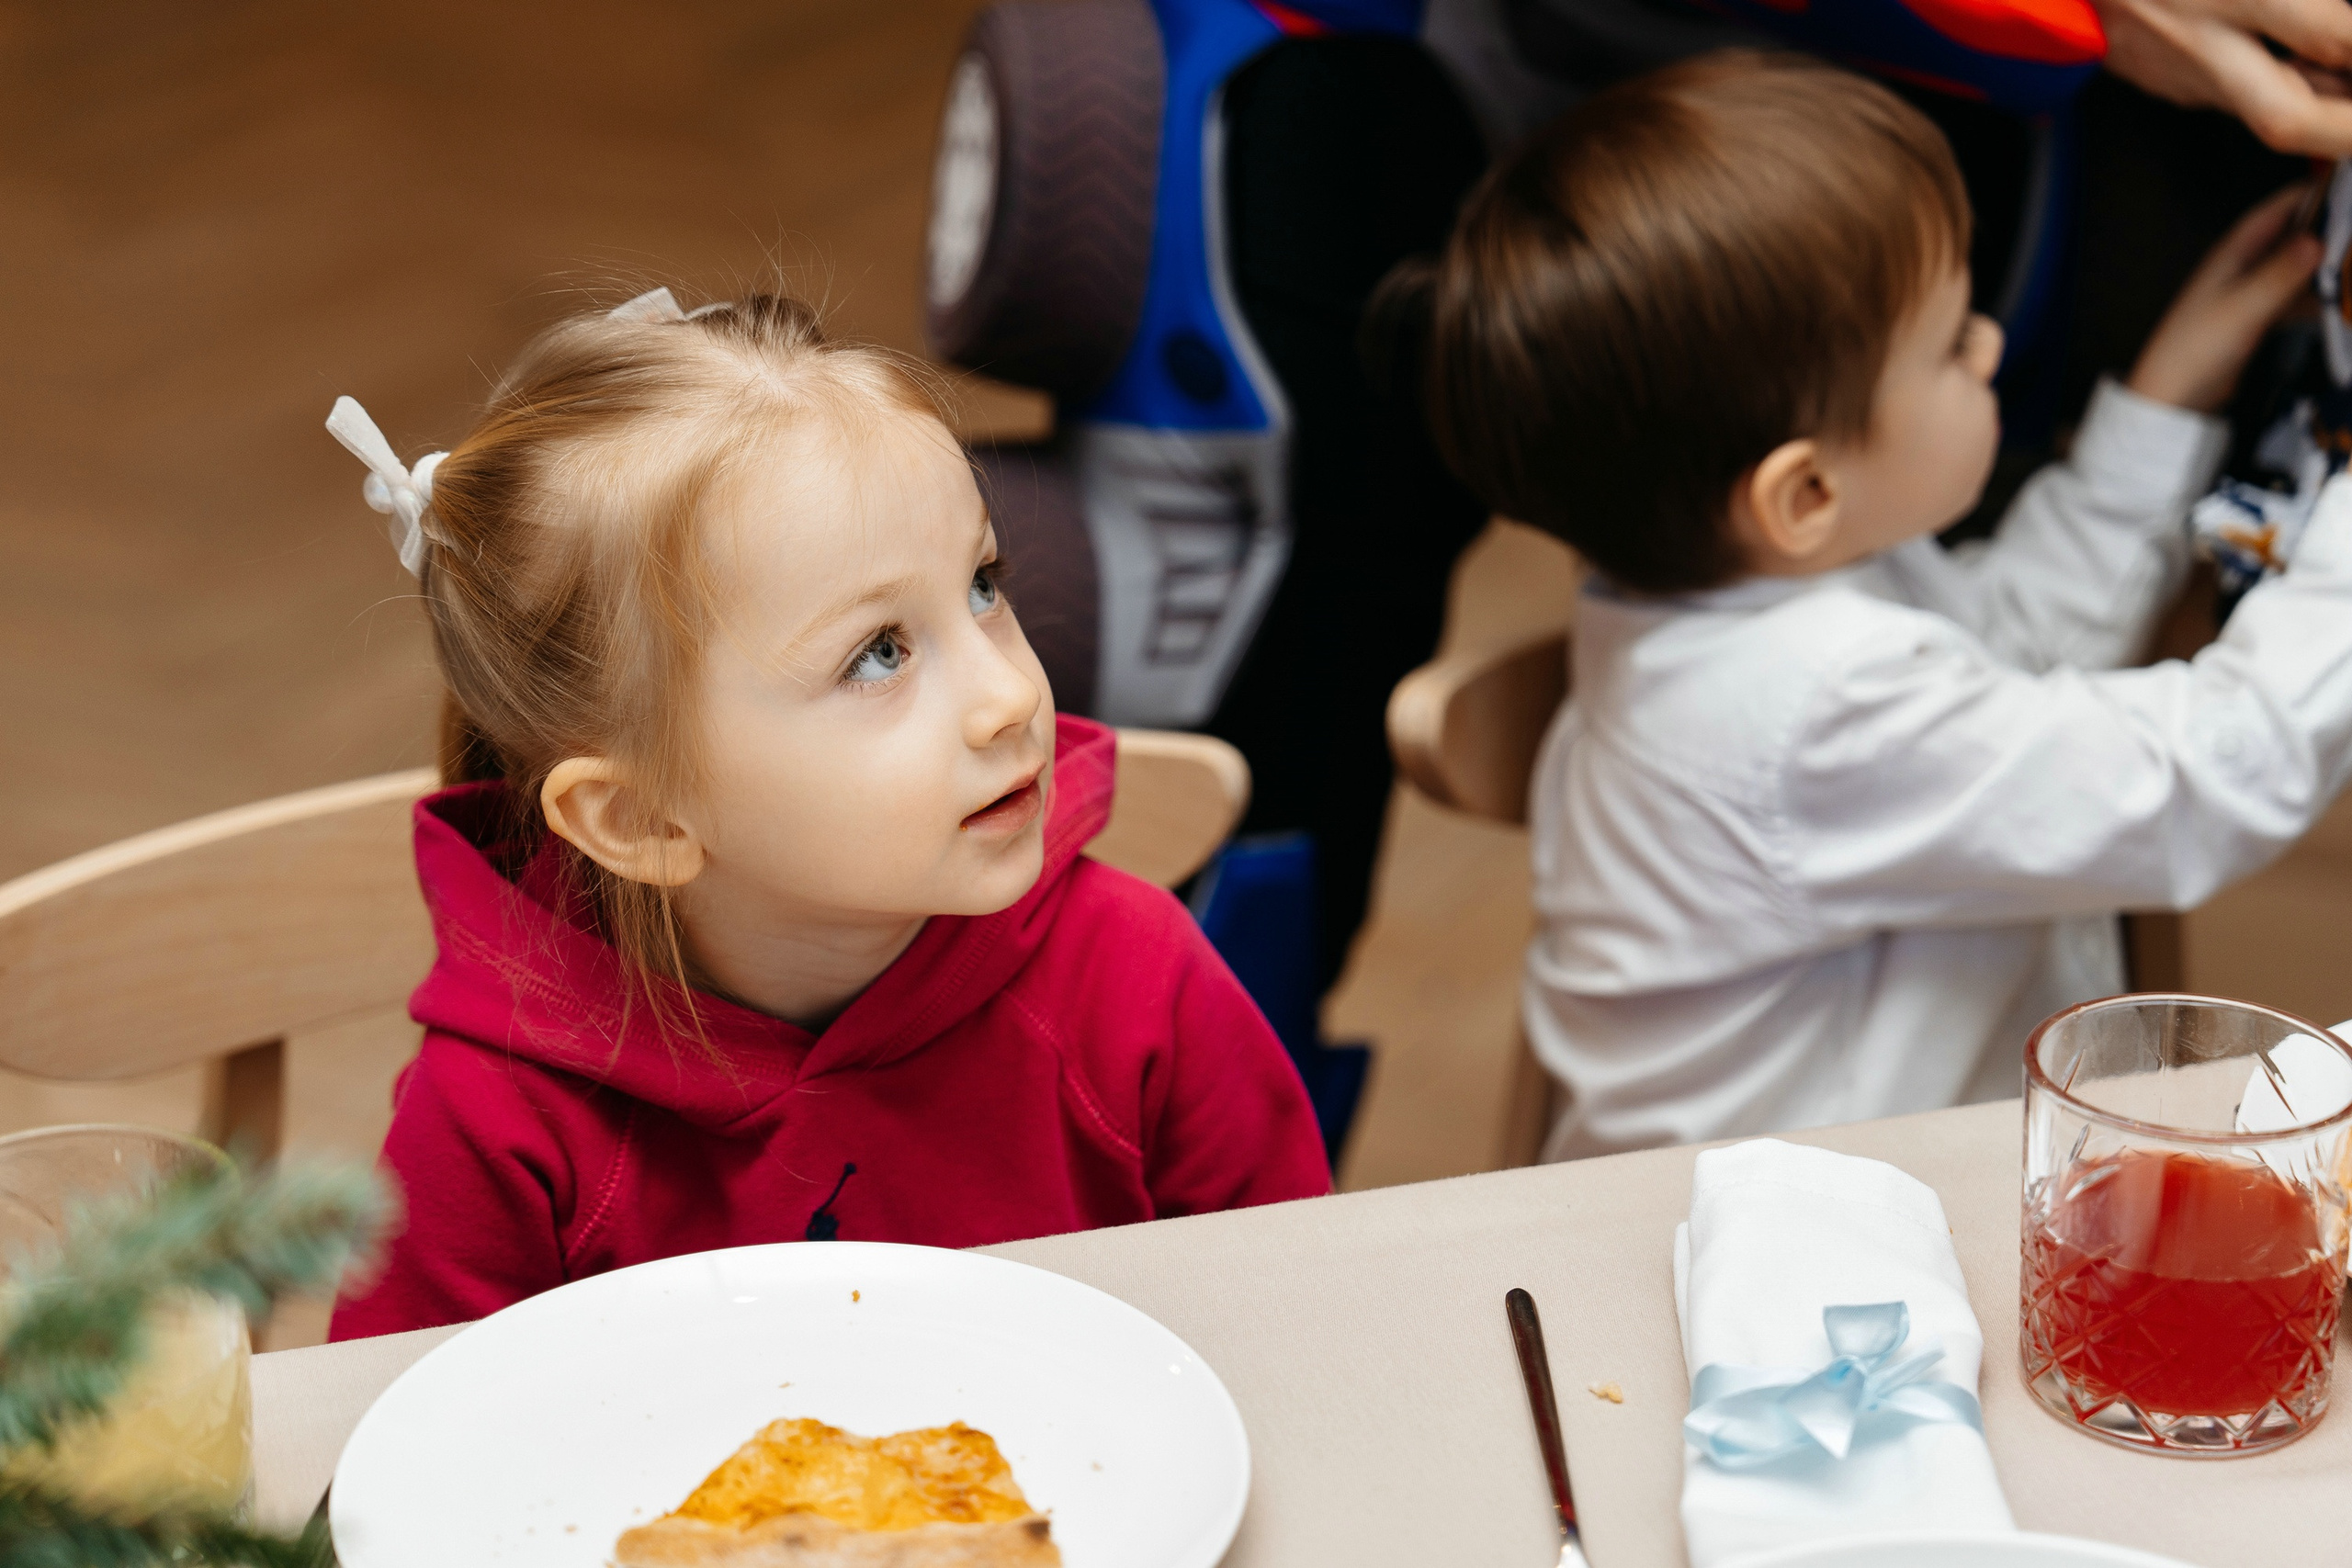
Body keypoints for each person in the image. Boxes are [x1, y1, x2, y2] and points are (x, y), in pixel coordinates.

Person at [1392, 51, 2352, 1156]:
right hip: (1786, 1275)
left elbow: (2020, 658)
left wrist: (2162, 393)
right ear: (1804, 492)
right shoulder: (1808, 705)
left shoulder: (1755, 599)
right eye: (1950, 343)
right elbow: (2202, 777)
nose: (1989, 345)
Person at [323, 290, 1329, 1338]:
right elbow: (401, 1466)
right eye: (879, 654)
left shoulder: (1135, 983)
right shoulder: (495, 1130)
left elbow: (1304, 1329)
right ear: (641, 820)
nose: (1011, 696)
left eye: (982, 584)